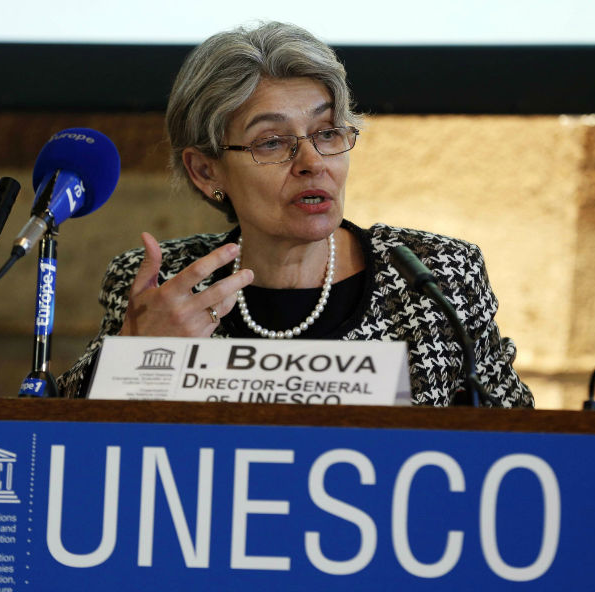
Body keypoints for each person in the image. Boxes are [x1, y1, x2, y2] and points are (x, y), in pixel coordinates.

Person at [58, 21, 533, 407]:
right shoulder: (162, 287)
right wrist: (131, 359)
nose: (312, 162)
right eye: (272, 141)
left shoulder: (435, 278)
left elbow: (519, 446)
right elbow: (64, 449)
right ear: (206, 171)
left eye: (327, 132)